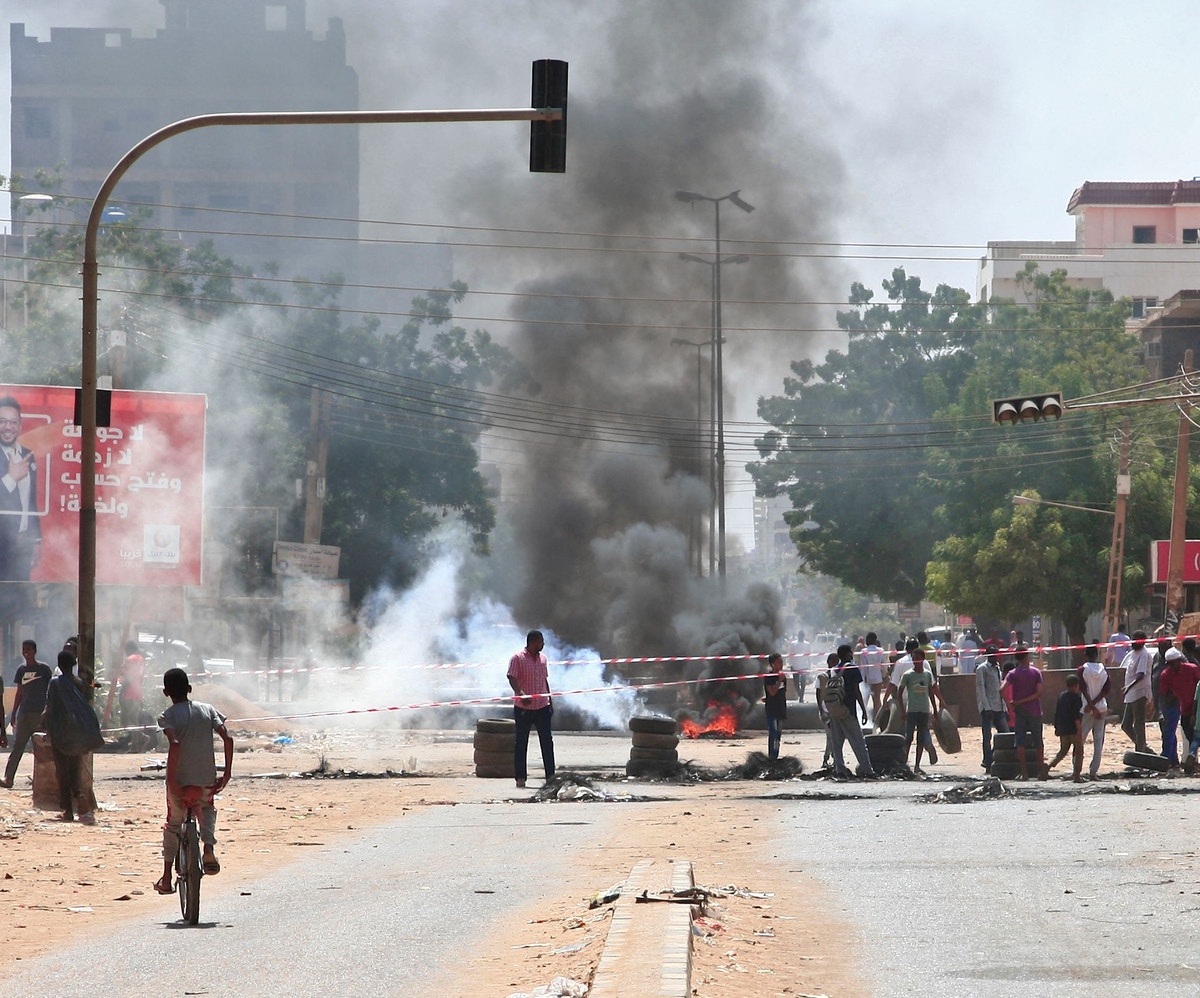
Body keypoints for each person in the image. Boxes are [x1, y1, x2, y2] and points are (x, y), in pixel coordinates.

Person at [154, 667, 233, 895]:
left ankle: (167, 877)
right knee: (207, 808)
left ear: (165, 692)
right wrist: (226, 773)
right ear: (189, 689)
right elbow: (227, 737)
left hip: (180, 783)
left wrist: (172, 781)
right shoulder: (207, 710)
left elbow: (175, 744)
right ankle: (208, 847)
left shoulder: (167, 716)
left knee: (173, 825)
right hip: (205, 781)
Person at [40, 650, 96, 823]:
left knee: (62, 773)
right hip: (77, 733)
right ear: (73, 665)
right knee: (75, 771)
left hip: (61, 733)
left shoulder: (55, 683)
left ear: (59, 664)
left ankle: (67, 811)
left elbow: (49, 708)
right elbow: (85, 705)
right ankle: (82, 807)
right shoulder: (79, 683)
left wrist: (44, 727)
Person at [507, 629, 555, 789]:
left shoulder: (543, 659)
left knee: (547, 742)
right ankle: (520, 777)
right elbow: (511, 677)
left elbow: (544, 680)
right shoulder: (517, 658)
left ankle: (551, 777)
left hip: (542, 707)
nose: (543, 644)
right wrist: (521, 694)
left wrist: (550, 700)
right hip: (524, 709)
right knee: (521, 743)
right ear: (533, 642)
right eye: (541, 641)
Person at [2, 639, 48, 787]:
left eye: (28, 649)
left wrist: (48, 711)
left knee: (40, 747)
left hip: (39, 713)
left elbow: (50, 691)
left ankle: (42, 780)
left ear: (35, 651)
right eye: (24, 649)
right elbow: (19, 694)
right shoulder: (21, 670)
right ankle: (8, 778)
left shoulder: (44, 669)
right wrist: (14, 713)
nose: (25, 652)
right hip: (24, 713)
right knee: (18, 747)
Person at [825, 644, 876, 779]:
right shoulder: (852, 668)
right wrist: (864, 710)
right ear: (849, 653)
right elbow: (856, 691)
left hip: (835, 709)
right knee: (858, 741)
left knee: (837, 742)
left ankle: (840, 770)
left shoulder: (834, 669)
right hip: (848, 710)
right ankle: (868, 770)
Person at [1001, 645, 1044, 780]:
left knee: (1020, 742)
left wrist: (1011, 704)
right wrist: (1023, 701)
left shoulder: (1012, 674)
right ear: (1026, 656)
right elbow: (1038, 693)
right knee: (1038, 742)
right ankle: (1040, 771)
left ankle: (1024, 773)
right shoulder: (1036, 672)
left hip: (1020, 712)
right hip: (1035, 710)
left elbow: (1001, 689)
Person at [1157, 647, 1200, 768]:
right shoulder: (1166, 674)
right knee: (1189, 734)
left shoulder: (1192, 669)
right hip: (1185, 708)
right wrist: (1161, 712)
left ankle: (1192, 757)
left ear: (1179, 660)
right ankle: (1191, 759)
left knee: (1196, 734)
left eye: (1173, 663)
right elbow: (1163, 694)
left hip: (1197, 706)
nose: (1172, 666)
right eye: (1169, 664)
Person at [897, 647, 938, 775]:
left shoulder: (927, 674)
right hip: (912, 711)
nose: (915, 661)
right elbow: (899, 692)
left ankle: (917, 766)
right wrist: (903, 711)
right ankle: (904, 765)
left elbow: (931, 692)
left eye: (918, 659)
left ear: (923, 659)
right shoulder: (908, 675)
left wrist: (935, 709)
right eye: (914, 659)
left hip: (924, 711)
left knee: (920, 740)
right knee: (908, 738)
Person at [1041, 674, 1084, 782]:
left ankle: (1049, 766)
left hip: (1063, 729)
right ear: (1077, 685)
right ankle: (1077, 776)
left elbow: (1057, 713)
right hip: (1073, 729)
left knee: (1063, 751)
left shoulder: (1062, 696)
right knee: (1079, 752)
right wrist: (1079, 729)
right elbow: (1076, 716)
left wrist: (1057, 727)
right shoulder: (1076, 698)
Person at [1077, 643, 1110, 779]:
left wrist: (1091, 706)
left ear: (1085, 655)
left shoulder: (1082, 669)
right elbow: (1105, 690)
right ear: (1096, 655)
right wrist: (1096, 706)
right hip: (1102, 707)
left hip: (1086, 709)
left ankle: (1076, 769)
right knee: (1098, 740)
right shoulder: (1103, 669)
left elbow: (1083, 689)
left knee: (1081, 739)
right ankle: (1093, 771)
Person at [975, 644, 1008, 772]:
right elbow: (981, 689)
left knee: (1004, 734)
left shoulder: (997, 668)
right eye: (993, 654)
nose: (995, 657)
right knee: (987, 736)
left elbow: (999, 689)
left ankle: (991, 757)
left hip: (999, 707)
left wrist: (1004, 707)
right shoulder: (982, 669)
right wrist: (986, 708)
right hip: (987, 707)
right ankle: (987, 762)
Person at [1119, 631, 1153, 752]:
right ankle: (1145, 748)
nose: (1133, 642)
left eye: (1136, 639)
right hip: (1131, 694)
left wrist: (1129, 686)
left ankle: (1141, 752)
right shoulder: (1133, 653)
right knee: (1125, 725)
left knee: (1139, 724)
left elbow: (1141, 675)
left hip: (1139, 691)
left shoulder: (1144, 654)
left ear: (1142, 641)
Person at [762, 652, 787, 761]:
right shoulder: (769, 677)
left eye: (782, 662)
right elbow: (772, 692)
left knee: (778, 735)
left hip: (781, 709)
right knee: (773, 733)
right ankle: (771, 756)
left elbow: (781, 693)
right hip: (772, 710)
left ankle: (776, 755)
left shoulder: (783, 677)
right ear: (772, 664)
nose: (781, 664)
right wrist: (779, 680)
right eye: (778, 662)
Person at [119, 639, 146, 732]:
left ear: (128, 649)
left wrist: (122, 691)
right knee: (134, 721)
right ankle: (136, 745)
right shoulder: (140, 659)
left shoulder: (130, 659)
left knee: (126, 721)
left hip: (129, 694)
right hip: (137, 693)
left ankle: (142, 737)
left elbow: (129, 678)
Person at [859, 632, 886, 717]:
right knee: (877, 700)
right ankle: (877, 719)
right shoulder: (881, 651)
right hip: (878, 678)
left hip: (868, 679)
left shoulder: (864, 651)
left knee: (865, 700)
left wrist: (862, 680)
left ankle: (864, 716)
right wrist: (884, 676)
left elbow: (863, 668)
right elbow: (883, 666)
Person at [790, 630, 811, 703]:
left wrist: (809, 666)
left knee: (803, 683)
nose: (801, 636)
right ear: (798, 636)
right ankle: (799, 693)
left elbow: (809, 656)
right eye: (800, 635)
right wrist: (791, 665)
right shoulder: (793, 644)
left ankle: (801, 698)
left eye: (802, 635)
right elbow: (791, 654)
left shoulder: (807, 644)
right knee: (796, 683)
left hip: (804, 666)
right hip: (795, 666)